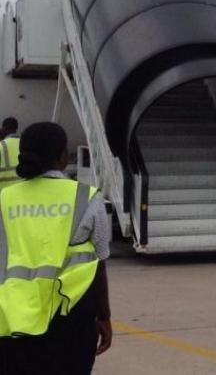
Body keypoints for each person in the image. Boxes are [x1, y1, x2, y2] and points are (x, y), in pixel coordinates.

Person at [0, 122, 112, 374]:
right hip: (71, 316)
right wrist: (104, 316)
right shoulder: (87, 197)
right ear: (62, 157)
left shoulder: (4, 199)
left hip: (12, 318)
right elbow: (99, 264)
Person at [0, 117, 20, 190]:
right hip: (22, 190)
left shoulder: (1, 145)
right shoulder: (25, 144)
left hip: (3, 192)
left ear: (3, 128)